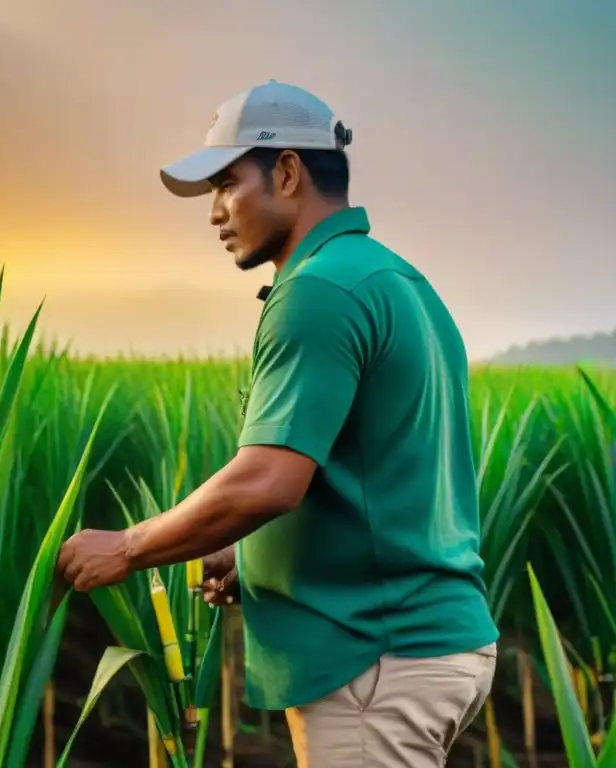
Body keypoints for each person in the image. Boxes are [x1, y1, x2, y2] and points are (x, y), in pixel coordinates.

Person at [56, 79, 499, 766]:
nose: (214, 213)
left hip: (373, 660)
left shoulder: (316, 293)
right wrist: (254, 558)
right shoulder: (395, 280)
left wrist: (129, 546)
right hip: (431, 644)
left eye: (226, 184)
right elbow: (377, 475)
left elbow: (267, 480)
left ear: (287, 171)